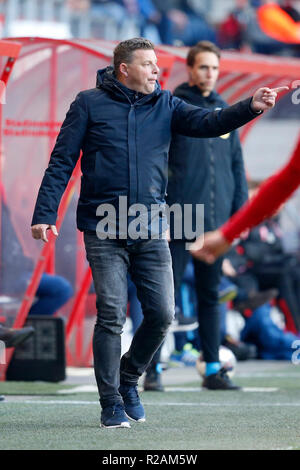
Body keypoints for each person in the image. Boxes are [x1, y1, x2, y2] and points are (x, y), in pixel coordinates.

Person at [30, 37, 282, 429]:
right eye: (147, 64)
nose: (155, 71)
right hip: (104, 225)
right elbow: (61, 161)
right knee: (112, 314)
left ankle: (130, 375)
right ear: (124, 69)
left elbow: (209, 121)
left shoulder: (166, 104)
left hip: (150, 226)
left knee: (164, 314)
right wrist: (45, 212)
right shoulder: (87, 103)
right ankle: (111, 400)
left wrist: (250, 106)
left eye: (156, 65)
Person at [165, 40, 251, 390]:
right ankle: (153, 369)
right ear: (190, 69)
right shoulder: (173, 107)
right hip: (180, 217)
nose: (209, 74)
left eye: (214, 68)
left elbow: (236, 166)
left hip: (217, 224)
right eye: (203, 67)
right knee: (163, 299)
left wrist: (240, 218)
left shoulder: (226, 109)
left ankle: (213, 368)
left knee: (211, 296)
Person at [190, 136, 300, 264]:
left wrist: (228, 233)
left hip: (214, 212)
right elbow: (288, 179)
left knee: (210, 275)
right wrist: (227, 234)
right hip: (186, 211)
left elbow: (287, 179)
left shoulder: (228, 133)